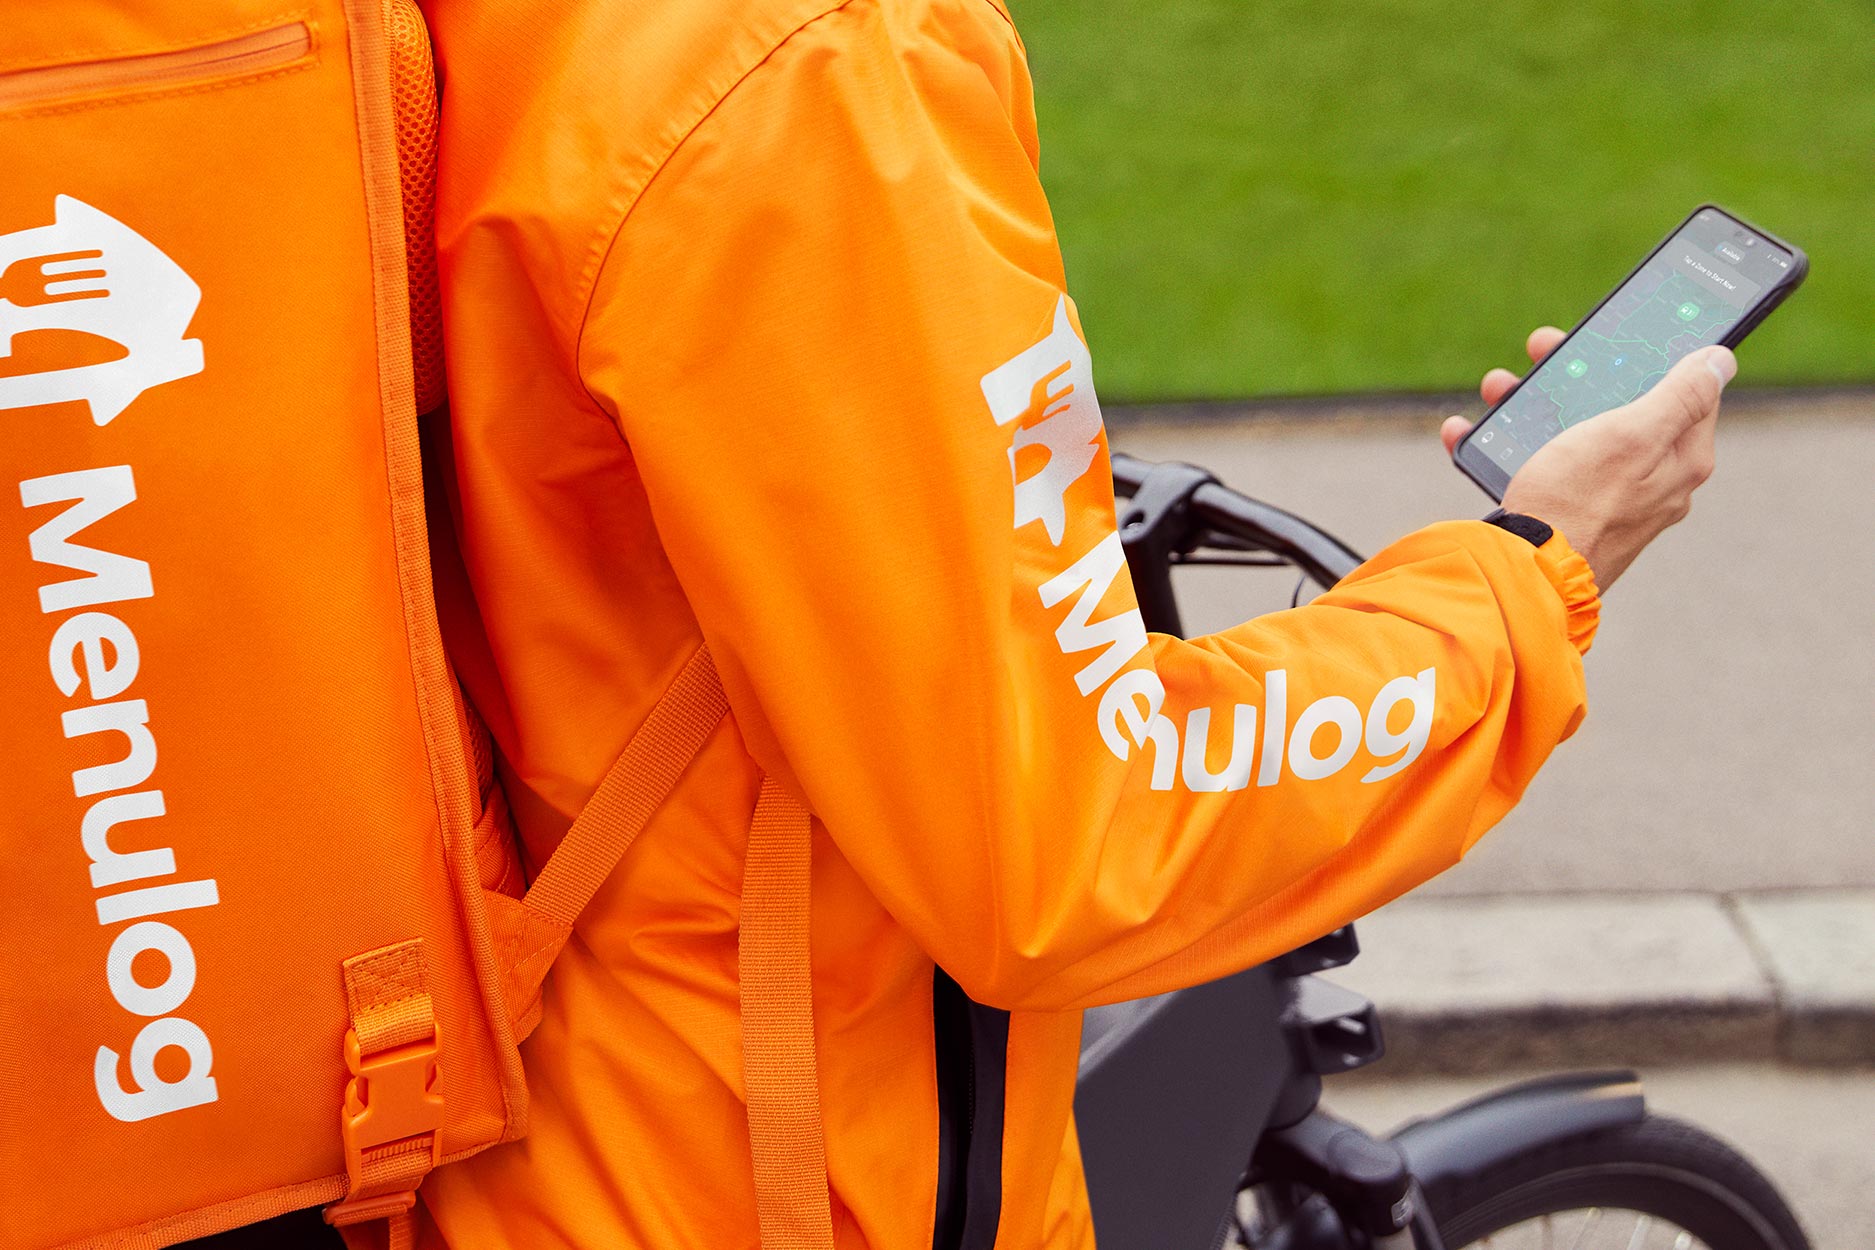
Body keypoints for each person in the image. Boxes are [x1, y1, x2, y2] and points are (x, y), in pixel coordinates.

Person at [413, 0, 1729, 1245]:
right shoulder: (809, 78)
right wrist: (1528, 574)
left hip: (523, 1129)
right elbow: (1072, 827)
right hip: (769, 1187)